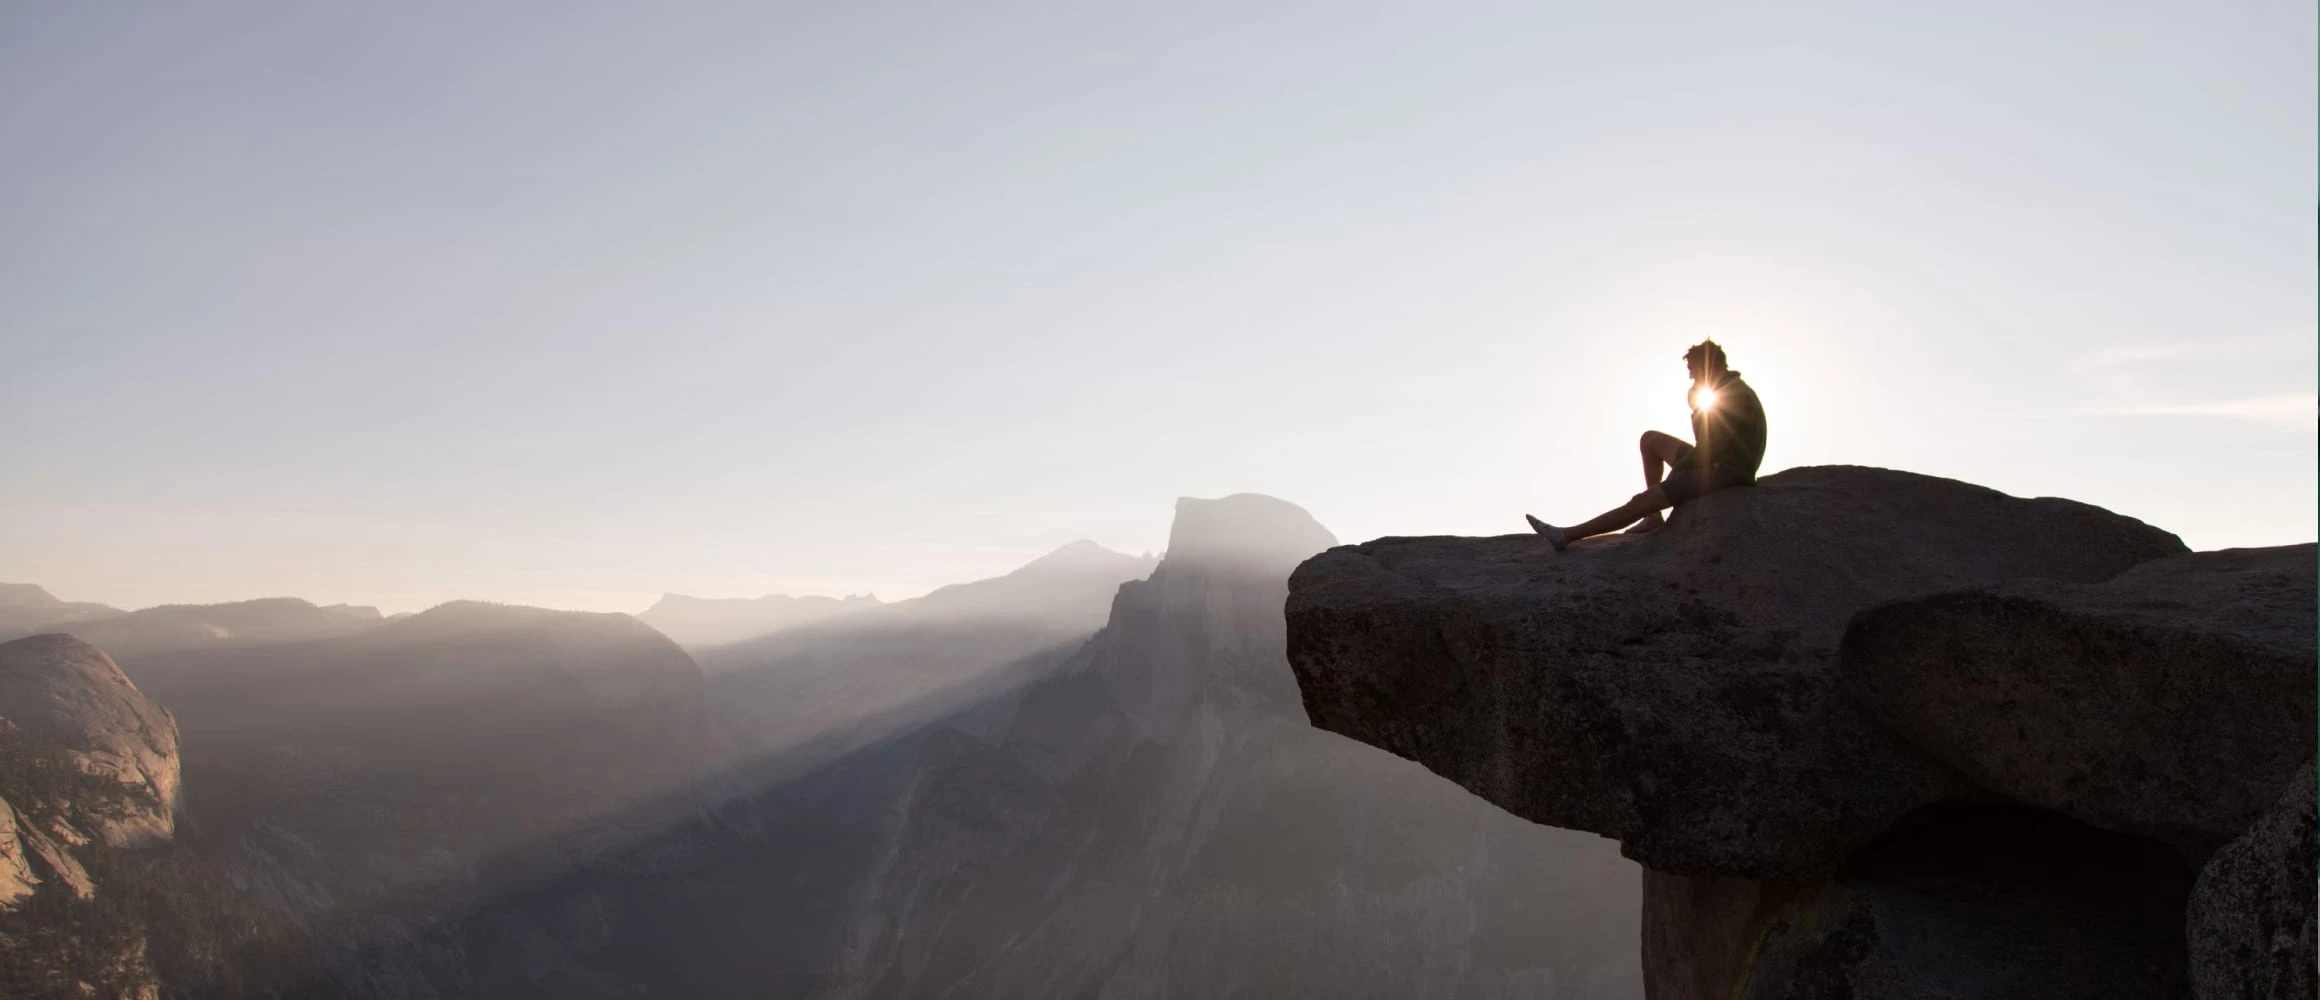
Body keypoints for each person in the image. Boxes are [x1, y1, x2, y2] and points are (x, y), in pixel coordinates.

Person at [1525, 339, 1767, 551]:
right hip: (1717, 459)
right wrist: (1696, 410)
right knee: (1650, 440)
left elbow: (1710, 449)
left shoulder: (1732, 394)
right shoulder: (1726, 389)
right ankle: (1653, 517)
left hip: (1725, 470)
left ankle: (1566, 536)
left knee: (1642, 500)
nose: (1691, 377)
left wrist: (1678, 473)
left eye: (1693, 371)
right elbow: (1707, 442)